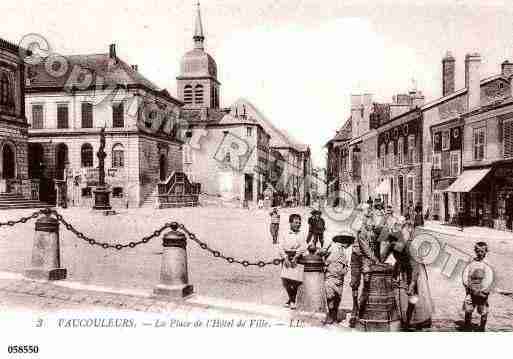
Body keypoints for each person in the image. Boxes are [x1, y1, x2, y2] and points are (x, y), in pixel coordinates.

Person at [381, 217, 434, 330]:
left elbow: (415, 267)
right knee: (402, 294)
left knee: (415, 294)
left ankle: (417, 320)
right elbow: (383, 256)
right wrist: (379, 262)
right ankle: (404, 318)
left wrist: (412, 283)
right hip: (402, 268)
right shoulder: (392, 241)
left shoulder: (409, 246)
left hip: (415, 270)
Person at [349, 213, 379, 328]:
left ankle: (362, 307)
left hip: (367, 258)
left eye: (372, 222)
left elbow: (377, 245)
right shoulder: (361, 231)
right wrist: (375, 259)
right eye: (369, 222)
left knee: (367, 280)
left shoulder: (374, 231)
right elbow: (365, 248)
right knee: (355, 283)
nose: (371, 224)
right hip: (357, 257)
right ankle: (355, 307)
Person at [320, 232, 355, 325]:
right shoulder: (332, 246)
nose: (349, 243)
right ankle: (331, 315)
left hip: (340, 278)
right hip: (330, 276)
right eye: (348, 241)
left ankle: (334, 316)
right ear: (343, 240)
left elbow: (346, 264)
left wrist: (345, 270)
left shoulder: (344, 251)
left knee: (337, 297)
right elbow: (321, 254)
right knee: (330, 296)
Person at [462, 241, 493, 331]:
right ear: (475, 251)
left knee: (483, 309)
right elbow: (466, 273)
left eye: (482, 251)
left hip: (482, 290)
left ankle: (482, 327)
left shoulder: (487, 263)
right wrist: (467, 285)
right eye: (478, 251)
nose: (480, 253)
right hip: (471, 288)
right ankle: (467, 326)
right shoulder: (471, 261)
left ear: (486, 252)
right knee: (468, 307)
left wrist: (484, 290)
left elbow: (489, 277)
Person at [279, 213, 307, 310]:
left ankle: (292, 300)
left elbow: (303, 246)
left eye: (299, 223)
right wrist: (285, 257)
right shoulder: (284, 233)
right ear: (290, 223)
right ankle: (291, 298)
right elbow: (280, 246)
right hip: (286, 255)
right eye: (295, 222)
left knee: (295, 280)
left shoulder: (301, 234)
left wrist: (296, 256)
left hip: (297, 257)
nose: (298, 224)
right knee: (285, 280)